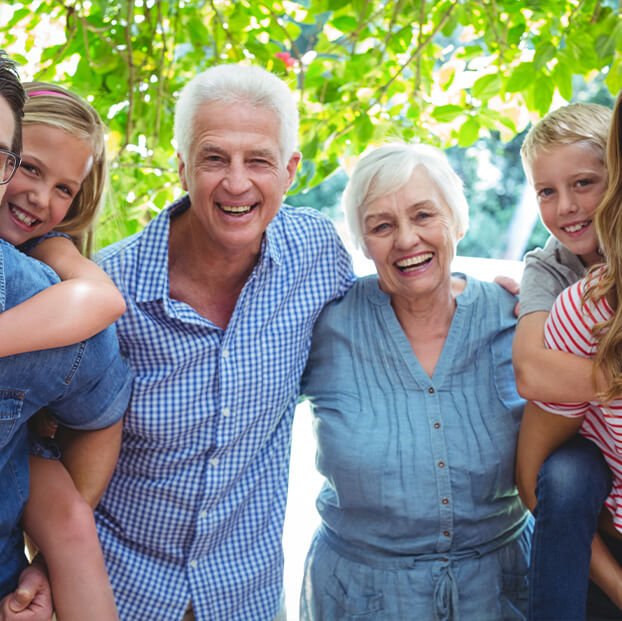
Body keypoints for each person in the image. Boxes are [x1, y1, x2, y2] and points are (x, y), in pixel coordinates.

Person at [93, 64, 354, 621]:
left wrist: (512, 303)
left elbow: (392, 314)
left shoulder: (315, 254)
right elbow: (44, 449)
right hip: (117, 590)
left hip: (245, 594)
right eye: (215, 158)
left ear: (290, 170)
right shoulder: (109, 293)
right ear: (183, 167)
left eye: (258, 160)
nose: (237, 183)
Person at [299, 142, 532, 620]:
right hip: (359, 597)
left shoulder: (520, 317)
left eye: (424, 215)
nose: (406, 239)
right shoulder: (323, 324)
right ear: (363, 243)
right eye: (382, 226)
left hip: (501, 591)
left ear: (457, 221)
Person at [0, 59, 133, 621]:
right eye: (28, 168)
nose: (39, 197)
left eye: (64, 189)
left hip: (34, 439)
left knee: (72, 529)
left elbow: (104, 301)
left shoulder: (47, 250)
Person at [512, 102, 621, 618]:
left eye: (583, 184)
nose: (566, 208)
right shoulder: (554, 270)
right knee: (568, 475)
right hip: (579, 436)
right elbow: (533, 371)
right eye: (546, 192)